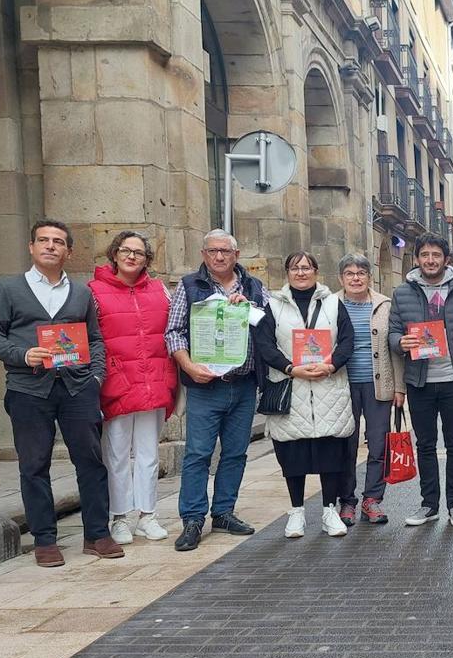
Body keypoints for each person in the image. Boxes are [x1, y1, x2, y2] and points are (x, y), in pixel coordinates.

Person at [0, 220, 120, 567]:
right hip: (29, 389)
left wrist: (96, 376)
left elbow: (95, 339)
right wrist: (21, 355)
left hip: (77, 387)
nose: (50, 246)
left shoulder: (81, 293)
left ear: (68, 251)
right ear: (31, 247)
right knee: (34, 464)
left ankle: (97, 534)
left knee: (90, 461)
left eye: (58, 242)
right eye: (43, 240)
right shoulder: (9, 289)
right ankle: (45, 540)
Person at [165, 229, 268, 551]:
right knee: (198, 453)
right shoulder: (189, 286)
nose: (219, 257)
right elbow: (174, 332)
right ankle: (193, 519)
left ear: (236, 255)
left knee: (236, 453)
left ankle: (224, 511)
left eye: (225, 251)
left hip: (244, 384)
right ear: (203, 254)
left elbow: (267, 326)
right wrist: (189, 365)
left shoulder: (253, 286)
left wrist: (247, 307)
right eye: (212, 251)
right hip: (204, 385)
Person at [254, 252, 356, 538]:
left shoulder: (334, 303)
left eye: (306, 267)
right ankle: (296, 512)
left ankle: (329, 511)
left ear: (315, 271)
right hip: (291, 387)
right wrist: (290, 368)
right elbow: (264, 344)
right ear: (287, 272)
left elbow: (348, 340)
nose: (301, 272)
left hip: (328, 387)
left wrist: (331, 364)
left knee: (330, 454)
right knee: (293, 455)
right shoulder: (273, 305)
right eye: (295, 268)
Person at [88, 231, 177, 544]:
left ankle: (148, 514)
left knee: (148, 453)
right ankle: (120, 516)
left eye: (138, 253)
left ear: (146, 259)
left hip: (153, 380)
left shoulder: (159, 291)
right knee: (116, 453)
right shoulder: (94, 291)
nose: (131, 257)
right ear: (114, 254)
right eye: (125, 250)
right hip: (118, 383)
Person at [388, 233, 453, 527]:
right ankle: (429, 505)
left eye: (436, 255)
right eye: (424, 255)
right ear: (416, 259)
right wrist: (401, 342)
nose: (430, 260)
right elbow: (392, 333)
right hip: (419, 381)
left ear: (446, 259)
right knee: (425, 445)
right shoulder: (402, 293)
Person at [335, 253, 405, 526]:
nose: (355, 278)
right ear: (342, 278)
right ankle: (347, 501)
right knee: (345, 446)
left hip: (379, 384)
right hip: (341, 386)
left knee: (378, 444)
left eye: (361, 273)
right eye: (350, 273)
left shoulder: (384, 306)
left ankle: (372, 499)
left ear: (369, 277)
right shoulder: (329, 305)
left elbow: (394, 349)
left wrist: (400, 387)